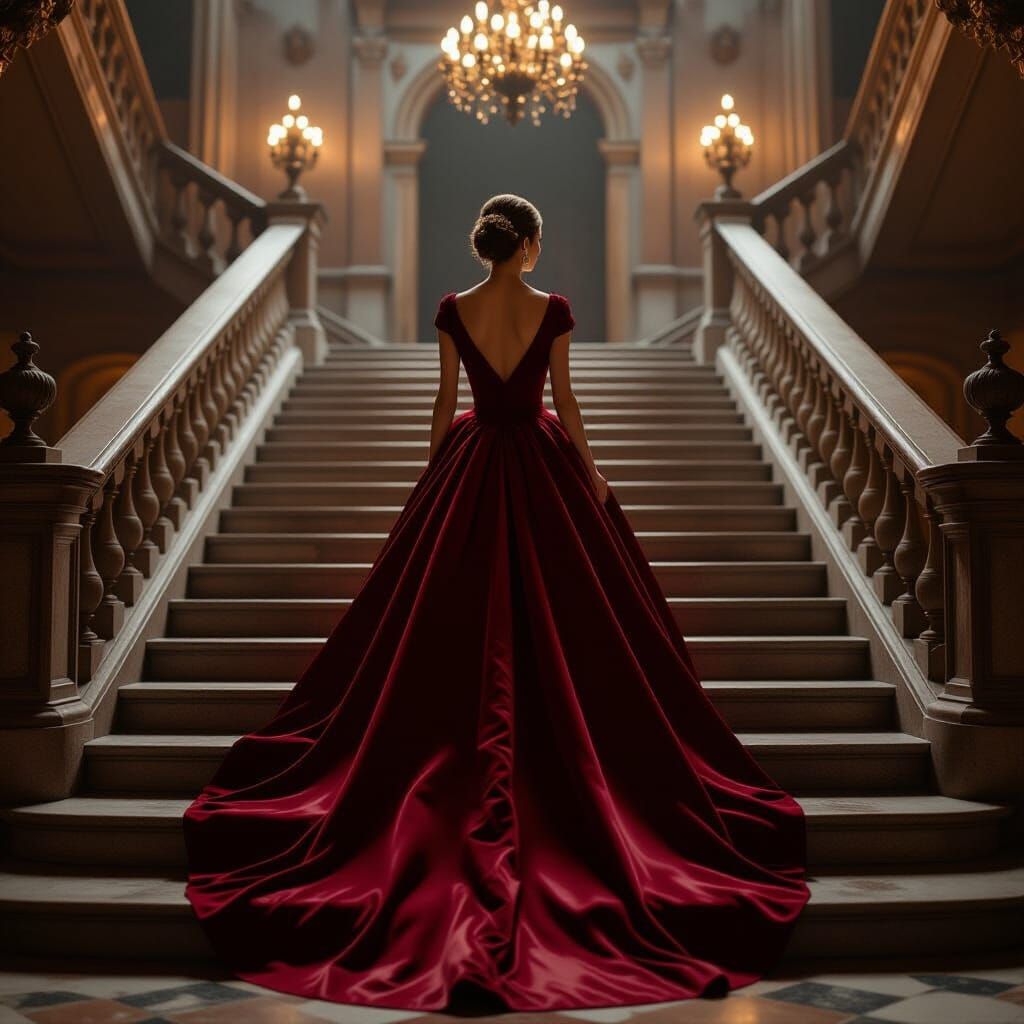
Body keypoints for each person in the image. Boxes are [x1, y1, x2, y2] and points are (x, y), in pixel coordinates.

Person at [182, 192, 811, 1013]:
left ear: (488, 245)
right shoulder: (553, 309)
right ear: (531, 245)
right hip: (542, 463)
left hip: (473, 458)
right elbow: (566, 402)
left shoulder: (454, 309)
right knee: (580, 621)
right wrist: (591, 473)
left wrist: (432, 475)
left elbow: (445, 402)